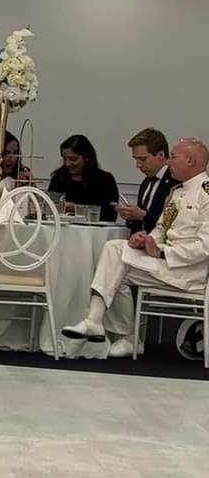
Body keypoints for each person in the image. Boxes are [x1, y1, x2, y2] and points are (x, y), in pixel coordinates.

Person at [62, 137, 209, 358]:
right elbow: (162, 228)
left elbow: (205, 247)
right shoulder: (178, 191)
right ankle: (102, 325)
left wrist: (163, 251)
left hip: (188, 271)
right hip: (166, 264)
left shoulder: (205, 193)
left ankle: (117, 331)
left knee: (115, 260)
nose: (168, 162)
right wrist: (146, 240)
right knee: (114, 253)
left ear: (191, 160)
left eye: (173, 157)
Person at [47, 134, 120, 221]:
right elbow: (50, 209)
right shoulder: (58, 177)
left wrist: (77, 209)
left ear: (87, 157)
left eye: (73, 159)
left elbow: (111, 214)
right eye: (65, 159)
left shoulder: (105, 179)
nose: (67, 164)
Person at [118, 127, 175, 235]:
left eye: (143, 159)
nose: (138, 165)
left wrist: (142, 215)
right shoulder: (146, 182)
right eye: (136, 159)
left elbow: (174, 222)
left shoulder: (175, 181)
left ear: (161, 155)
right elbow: (140, 224)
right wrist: (130, 217)